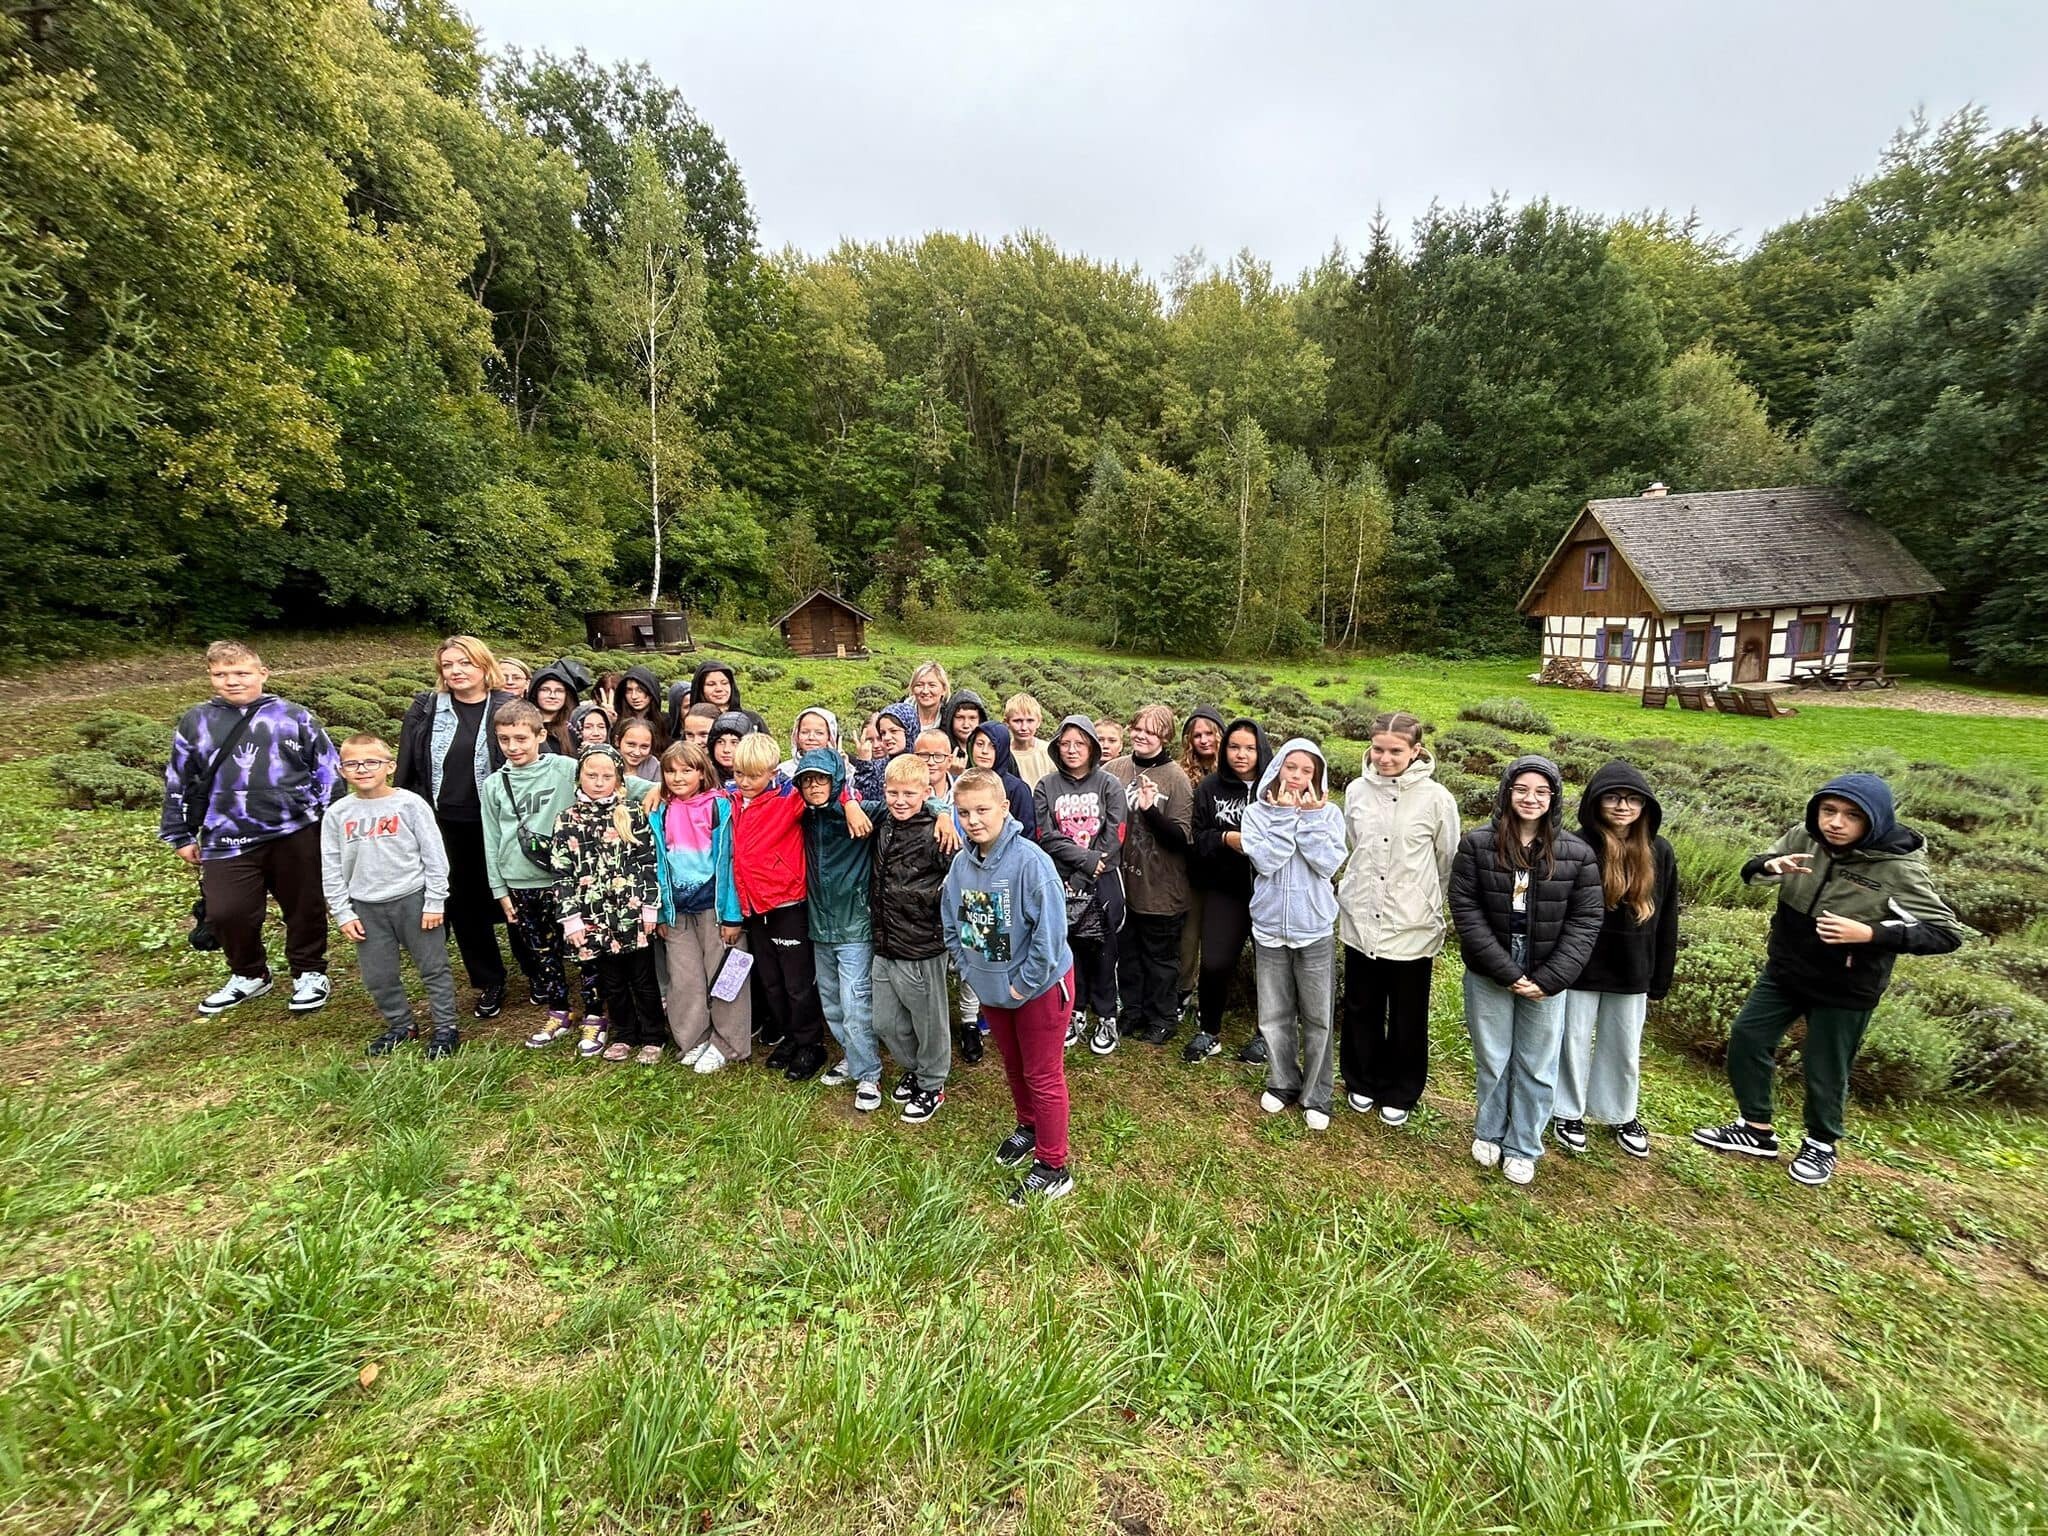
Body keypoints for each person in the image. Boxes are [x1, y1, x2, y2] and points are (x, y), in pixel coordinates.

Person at [1692, 773, 1968, 1187]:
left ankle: (1821, 1143)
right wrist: (1769, 866)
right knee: (1747, 1037)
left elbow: (1946, 934)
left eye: (1852, 815)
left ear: (1874, 819)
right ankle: (1755, 1129)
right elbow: (1753, 870)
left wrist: (1871, 933)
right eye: (1829, 811)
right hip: (1786, 969)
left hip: (1847, 985)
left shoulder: (1897, 867)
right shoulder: (1803, 837)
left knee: (1824, 1066)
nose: (1835, 823)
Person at [1449, 755, 1605, 1187]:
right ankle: (1489, 1131)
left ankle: (1523, 1145)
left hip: (1548, 965)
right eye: (1521, 790)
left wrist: (1551, 978)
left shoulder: (1576, 853)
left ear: (1553, 797)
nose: (1530, 798)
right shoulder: (1477, 844)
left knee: (1537, 1063)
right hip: (1490, 965)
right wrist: (1503, 969)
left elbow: (1585, 920)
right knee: (1493, 1056)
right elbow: (1465, 908)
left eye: (1540, 791)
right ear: (1507, 793)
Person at [162, 641, 340, 1017]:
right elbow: (179, 778)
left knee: (305, 906)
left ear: (262, 673)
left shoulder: (294, 716)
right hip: (225, 835)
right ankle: (249, 973)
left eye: (241, 672)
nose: (232, 681)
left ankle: (309, 971)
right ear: (210, 677)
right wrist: (178, 832)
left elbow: (327, 770)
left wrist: (333, 823)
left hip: (296, 830)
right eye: (221, 674)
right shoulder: (196, 721)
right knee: (228, 911)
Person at [943, 768, 1077, 1206]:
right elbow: (952, 924)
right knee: (1015, 1066)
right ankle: (1029, 1125)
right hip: (991, 990)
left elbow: (1050, 937)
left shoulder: (1031, 863)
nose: (973, 820)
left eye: (982, 810)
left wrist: (1023, 985)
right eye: (964, 812)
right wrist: (970, 971)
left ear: (1004, 808)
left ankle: (1053, 1166)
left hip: (1038, 989)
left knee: (1043, 1074)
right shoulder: (961, 866)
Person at [1336, 711, 1460, 1125]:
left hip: (1412, 923)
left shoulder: (1437, 799)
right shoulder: (1356, 790)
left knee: (1408, 1012)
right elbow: (1354, 844)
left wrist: (1423, 899)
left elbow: (1446, 859)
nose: (1385, 759)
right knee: (1361, 1004)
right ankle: (1361, 1078)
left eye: (1395, 751)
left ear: (1415, 751)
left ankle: (1402, 1089)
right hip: (1361, 915)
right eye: (1378, 749)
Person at [1554, 761, 1679, 1159]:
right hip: (1579, 965)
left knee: (1623, 1046)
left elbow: (1668, 917)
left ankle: (1619, 1113)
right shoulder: (1575, 846)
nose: (1623, 806)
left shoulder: (1660, 851)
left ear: (1646, 806)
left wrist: (1661, 976)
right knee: (1572, 1040)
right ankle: (1567, 1111)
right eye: (1612, 797)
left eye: (1633, 799)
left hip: (1633, 967)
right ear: (1595, 801)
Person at [395, 636, 520, 1019]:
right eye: (448, 665)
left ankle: (537, 970)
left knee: (516, 894)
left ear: (484, 666)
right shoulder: (427, 708)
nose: (456, 671)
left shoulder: (506, 706)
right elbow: (408, 762)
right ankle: (489, 979)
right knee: (464, 904)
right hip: (445, 820)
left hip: (497, 819)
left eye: (465, 663)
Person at [321, 732, 458, 1059]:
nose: (362, 769)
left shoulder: (409, 804)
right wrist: (343, 912)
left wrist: (434, 900)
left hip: (414, 900)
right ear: (341, 770)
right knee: (378, 975)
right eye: (352, 764)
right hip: (366, 907)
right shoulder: (338, 814)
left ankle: (446, 1027)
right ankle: (401, 1024)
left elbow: (434, 855)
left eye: (372, 762)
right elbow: (331, 864)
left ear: (390, 766)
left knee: (433, 967)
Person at [480, 701, 602, 1049]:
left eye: (521, 738)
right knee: (543, 951)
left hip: (567, 880)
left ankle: (595, 1014)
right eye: (504, 739)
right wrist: (499, 889)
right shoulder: (494, 784)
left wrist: (655, 789)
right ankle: (559, 1009)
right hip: (520, 882)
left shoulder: (565, 768)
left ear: (540, 735)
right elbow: (491, 836)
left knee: (585, 947)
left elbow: (607, 779)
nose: (513, 747)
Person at [1241, 739, 1347, 1131]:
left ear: (1317, 776)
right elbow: (1267, 862)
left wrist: (1311, 820)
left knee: (1318, 1017)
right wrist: (1285, 817)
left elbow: (1328, 863)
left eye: (1307, 771)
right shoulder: (1256, 813)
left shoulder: (1329, 814)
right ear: (1278, 769)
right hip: (1269, 929)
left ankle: (1317, 1095)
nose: (1298, 777)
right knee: (1274, 1015)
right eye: (1291, 768)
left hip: (1314, 929)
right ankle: (1282, 1081)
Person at [726, 733, 834, 1080]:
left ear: (773, 772)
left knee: (796, 982)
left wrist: (848, 802)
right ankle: (788, 1035)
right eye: (739, 774)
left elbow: (832, 793)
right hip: (755, 907)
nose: (745, 782)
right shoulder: (731, 799)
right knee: (770, 979)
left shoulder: (789, 799)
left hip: (787, 904)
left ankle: (810, 1043)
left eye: (753, 776)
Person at [549, 744, 665, 1065]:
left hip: (631, 914)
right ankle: (624, 1034)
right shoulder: (566, 820)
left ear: (619, 779)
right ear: (579, 777)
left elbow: (648, 863)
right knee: (612, 982)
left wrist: (650, 907)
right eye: (591, 775)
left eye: (606, 776)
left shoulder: (632, 814)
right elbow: (561, 873)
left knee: (643, 979)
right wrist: (571, 919)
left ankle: (653, 1035)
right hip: (593, 918)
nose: (599, 782)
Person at [650, 742, 749, 1074]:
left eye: (687, 770)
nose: (678, 778)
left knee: (725, 976)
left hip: (715, 908)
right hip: (677, 910)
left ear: (702, 773)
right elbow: (657, 864)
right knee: (684, 978)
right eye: (670, 771)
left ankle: (728, 1043)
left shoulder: (720, 806)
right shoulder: (660, 810)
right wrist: (661, 912)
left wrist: (733, 914)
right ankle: (693, 1039)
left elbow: (731, 862)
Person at [1034, 716, 1128, 1056]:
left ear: (1092, 747)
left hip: (1103, 879)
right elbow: (1045, 835)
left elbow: (1115, 834)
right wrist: (1083, 862)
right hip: (1062, 878)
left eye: (1080, 743)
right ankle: (1075, 1009)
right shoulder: (1046, 786)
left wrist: (1087, 872)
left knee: (1103, 948)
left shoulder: (1109, 785)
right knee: (1070, 946)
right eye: (1065, 743)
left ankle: (1107, 1015)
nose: (1072, 750)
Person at [794, 748, 882, 1110]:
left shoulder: (859, 812)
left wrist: (941, 813)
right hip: (820, 927)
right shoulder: (804, 816)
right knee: (831, 1001)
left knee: (855, 1001)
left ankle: (869, 1074)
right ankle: (852, 1055)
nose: (814, 786)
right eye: (807, 780)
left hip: (854, 925)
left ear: (837, 781)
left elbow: (907, 806)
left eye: (822, 779)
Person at [871, 753, 955, 1122]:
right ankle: (916, 1068)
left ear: (926, 793)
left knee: (929, 1022)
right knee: (885, 1021)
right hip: (885, 941)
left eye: (909, 793)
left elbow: (959, 879)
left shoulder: (938, 832)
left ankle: (932, 1083)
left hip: (922, 943)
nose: (900, 800)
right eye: (893, 792)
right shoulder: (885, 822)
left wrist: (944, 814)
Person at [1105, 704, 1194, 1046]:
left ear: (1166, 737)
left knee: (1160, 958)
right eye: (1138, 728)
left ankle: (1162, 1017)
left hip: (1160, 887)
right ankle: (1133, 1011)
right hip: (1124, 882)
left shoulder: (1176, 778)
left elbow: (1181, 838)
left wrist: (1151, 811)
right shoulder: (1115, 769)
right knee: (1127, 953)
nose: (1142, 736)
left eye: (1152, 731)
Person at [1186, 717, 1269, 1063]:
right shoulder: (1210, 788)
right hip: (1225, 890)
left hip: (1270, 892)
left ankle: (1267, 1035)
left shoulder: (1274, 787)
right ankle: (1209, 1030)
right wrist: (1224, 838)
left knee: (1270, 967)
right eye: (1234, 747)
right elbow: (1197, 836)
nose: (1241, 754)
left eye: (1250, 748)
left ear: (1261, 750)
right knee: (1216, 961)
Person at [1175, 706, 1226, 1023]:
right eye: (1197, 735)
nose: (1204, 740)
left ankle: (1210, 998)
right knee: (1188, 937)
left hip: (1226, 871)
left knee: (1218, 940)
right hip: (1192, 869)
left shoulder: (1234, 771)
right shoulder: (1183, 774)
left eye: (1210, 734)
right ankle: (1183, 990)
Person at [965, 721, 1038, 836]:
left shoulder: (1017, 789)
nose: (984, 751)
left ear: (1002, 749)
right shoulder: (963, 782)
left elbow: (1027, 834)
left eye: (993, 746)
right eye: (979, 744)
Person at [526, 659, 587, 757]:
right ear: (535, 693)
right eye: (545, 690)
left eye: (559, 691)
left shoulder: (575, 730)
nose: (552, 696)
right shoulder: (524, 726)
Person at [1004, 693, 1054, 787]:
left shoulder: (1049, 752)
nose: (1024, 727)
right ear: (1007, 722)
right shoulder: (1003, 754)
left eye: (1030, 721)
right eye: (1017, 721)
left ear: (1039, 722)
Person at [610, 666, 667, 746]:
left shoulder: (666, 723)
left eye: (640, 690)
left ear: (651, 692)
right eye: (629, 690)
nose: (634, 696)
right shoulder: (617, 722)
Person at [614, 717, 662, 798]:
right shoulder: (607, 762)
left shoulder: (656, 768)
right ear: (617, 741)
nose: (637, 752)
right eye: (631, 744)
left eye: (644, 747)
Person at [943, 688, 989, 771]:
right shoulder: (941, 749)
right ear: (950, 719)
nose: (966, 725)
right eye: (960, 718)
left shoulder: (991, 750)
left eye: (972, 718)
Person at [707, 711, 751, 788]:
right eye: (720, 742)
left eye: (734, 743)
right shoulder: (704, 777)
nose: (726, 750)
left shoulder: (760, 778)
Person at [905, 660, 951, 736]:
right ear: (912, 689)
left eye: (932, 685)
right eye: (919, 685)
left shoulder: (950, 719)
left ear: (944, 690)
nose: (925, 691)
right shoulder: (899, 717)